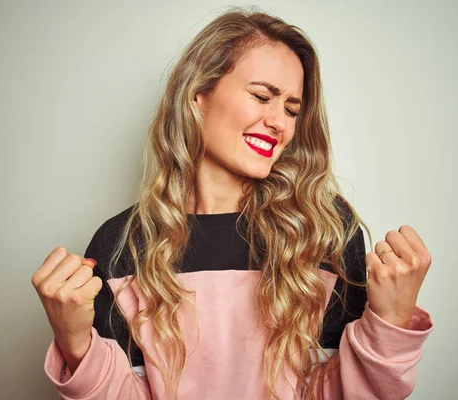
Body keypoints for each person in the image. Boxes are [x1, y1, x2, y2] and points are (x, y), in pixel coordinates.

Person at [32, 8, 434, 400]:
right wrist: (74, 341)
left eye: (292, 109)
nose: (280, 122)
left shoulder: (323, 231)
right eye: (262, 96)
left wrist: (390, 323)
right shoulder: (121, 244)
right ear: (199, 96)